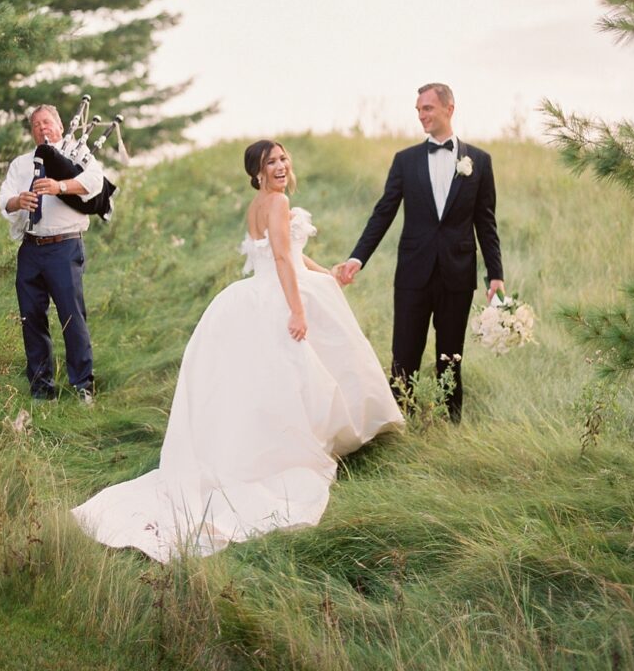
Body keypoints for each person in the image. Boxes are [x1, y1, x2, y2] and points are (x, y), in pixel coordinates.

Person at [71, 140, 402, 561]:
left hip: (260, 293)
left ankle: (274, 445)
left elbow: (293, 257)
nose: (280, 165)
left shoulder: (259, 204)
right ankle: (294, 451)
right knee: (298, 373)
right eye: (271, 162)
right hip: (279, 296)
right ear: (258, 172)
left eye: (283, 158)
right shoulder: (277, 203)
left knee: (270, 382)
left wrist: (327, 274)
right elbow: (282, 259)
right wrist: (298, 312)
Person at [335, 83, 504, 422]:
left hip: (457, 275)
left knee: (451, 358)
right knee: (404, 357)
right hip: (413, 274)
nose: (421, 115)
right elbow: (384, 212)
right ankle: (397, 424)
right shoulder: (405, 160)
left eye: (427, 108)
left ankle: (449, 426)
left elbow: (486, 222)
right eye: (418, 110)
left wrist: (495, 274)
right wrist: (357, 258)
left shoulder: (479, 162)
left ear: (449, 109)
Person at [0, 104, 104, 405]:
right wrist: (19, 200)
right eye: (35, 124)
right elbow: (3, 198)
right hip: (30, 248)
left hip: (64, 246)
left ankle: (83, 386)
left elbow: (94, 182)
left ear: (58, 125)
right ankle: (42, 390)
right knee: (31, 319)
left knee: (72, 316)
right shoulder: (20, 164)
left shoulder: (76, 154)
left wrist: (59, 185)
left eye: (47, 122)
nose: (41, 128)